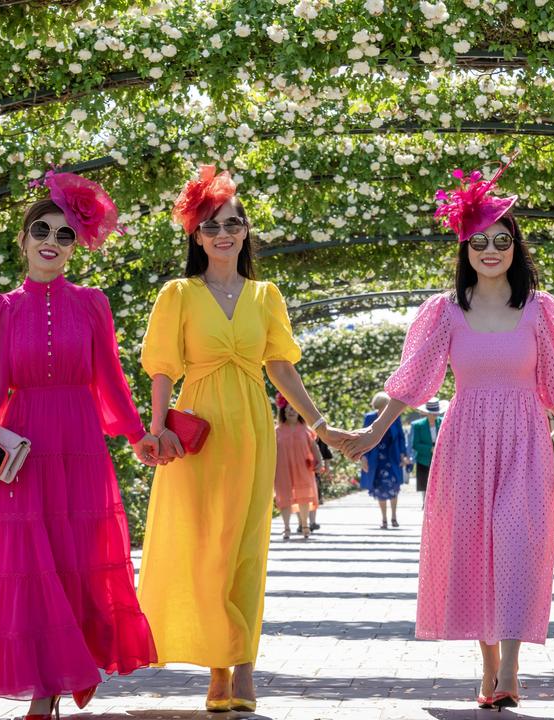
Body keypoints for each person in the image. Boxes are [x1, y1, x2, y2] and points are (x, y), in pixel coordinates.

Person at [343, 159, 554, 710]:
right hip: (466, 443)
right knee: (477, 549)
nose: (491, 250)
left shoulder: (540, 309)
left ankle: (510, 666)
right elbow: (413, 382)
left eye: (501, 240)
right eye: (479, 242)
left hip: (526, 441)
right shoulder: (446, 312)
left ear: (515, 247)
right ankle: (489, 669)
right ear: (466, 251)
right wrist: (377, 431)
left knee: (517, 543)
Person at [136, 166, 349, 713]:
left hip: (252, 427)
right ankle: (217, 667)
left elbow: (281, 368)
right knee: (207, 548)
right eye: (211, 226)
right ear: (196, 236)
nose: (223, 234)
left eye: (232, 223)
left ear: (246, 229)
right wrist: (158, 429)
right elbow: (161, 368)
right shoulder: (178, 293)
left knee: (248, 548)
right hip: (199, 431)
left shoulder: (265, 295)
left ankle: (244, 667)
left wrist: (320, 424)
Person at [0, 171, 158, 719]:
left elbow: (110, 379)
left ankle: (80, 659)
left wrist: (138, 434)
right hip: (25, 448)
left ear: (76, 245)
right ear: (23, 240)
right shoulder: (1, 308)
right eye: (41, 230)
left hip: (80, 443)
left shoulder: (93, 303)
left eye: (65, 233)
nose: (52, 240)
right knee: (32, 564)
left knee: (81, 557)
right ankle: (45, 688)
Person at [273, 395, 323, 540]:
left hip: (303, 468)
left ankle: (305, 525)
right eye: (288, 410)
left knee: (304, 496)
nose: (291, 412)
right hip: (282, 469)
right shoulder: (277, 431)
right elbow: (271, 451)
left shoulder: (306, 430)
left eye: (294, 409)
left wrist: (320, 462)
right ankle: (286, 528)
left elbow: (314, 448)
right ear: (283, 412)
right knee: (284, 497)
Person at [359, 392, 409, 529]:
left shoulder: (395, 417)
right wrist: (363, 457)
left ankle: (394, 517)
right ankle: (384, 519)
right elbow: (363, 438)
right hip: (376, 458)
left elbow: (400, 437)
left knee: (393, 487)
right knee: (380, 489)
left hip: (392, 457)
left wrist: (403, 455)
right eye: (385, 406)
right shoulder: (369, 418)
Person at [409, 398, 447, 495]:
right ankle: (424, 504)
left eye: (436, 414)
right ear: (427, 413)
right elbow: (415, 444)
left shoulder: (444, 422)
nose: (434, 416)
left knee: (440, 485)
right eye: (432, 414)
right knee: (424, 485)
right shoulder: (417, 425)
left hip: (440, 458)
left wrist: (439, 449)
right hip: (424, 459)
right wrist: (430, 449)